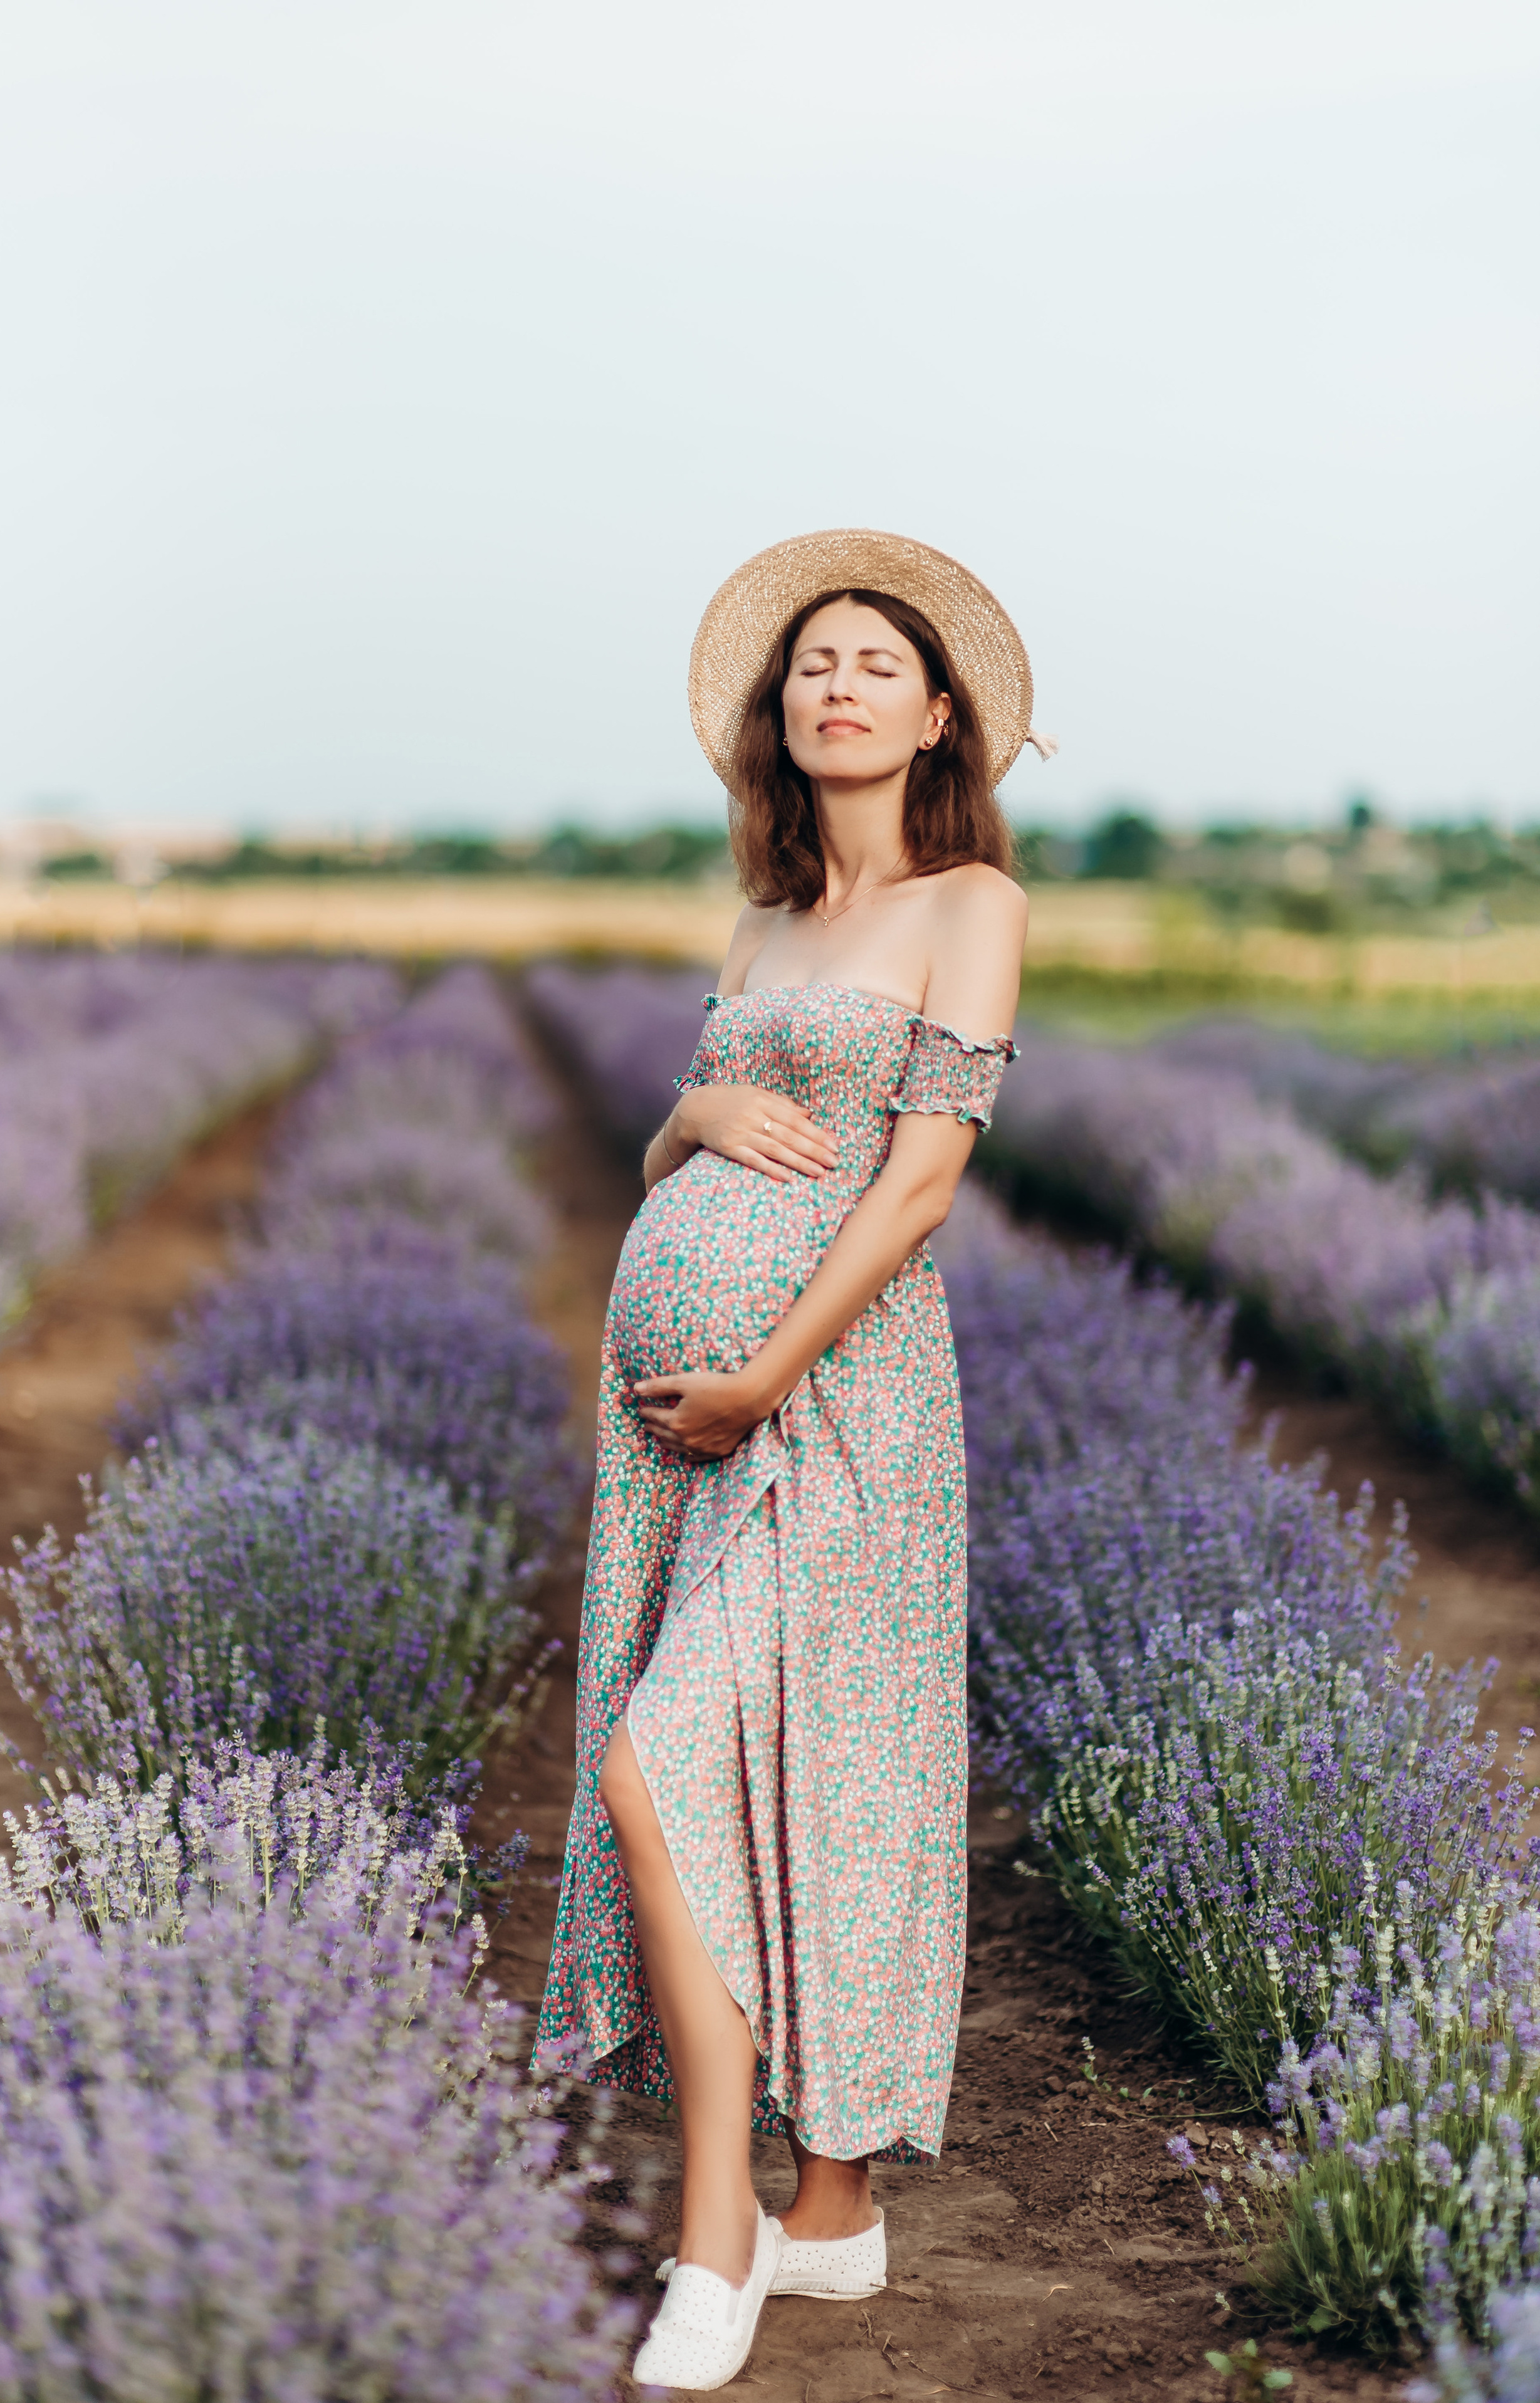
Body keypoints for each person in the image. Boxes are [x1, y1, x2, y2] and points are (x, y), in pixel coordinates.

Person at [537, 529, 1049, 2391]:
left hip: (836, 1411)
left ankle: (719, 2234)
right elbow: (694, 1159)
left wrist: (761, 1372)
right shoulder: (762, 925)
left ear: (931, 721)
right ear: (780, 714)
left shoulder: (969, 901)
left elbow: (919, 1179)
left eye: (872, 663)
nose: (836, 681)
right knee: (767, 1771)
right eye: (811, 661)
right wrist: (682, 1112)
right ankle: (832, 2215)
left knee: (666, 1768)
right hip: (688, 1420)